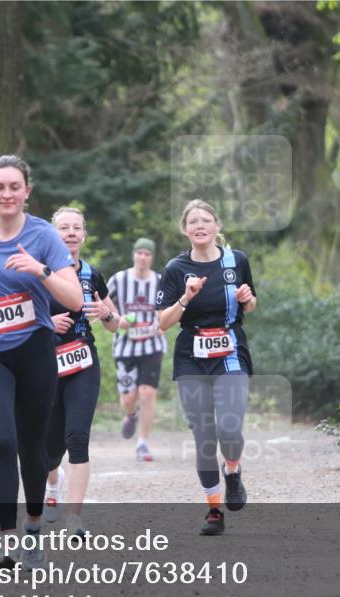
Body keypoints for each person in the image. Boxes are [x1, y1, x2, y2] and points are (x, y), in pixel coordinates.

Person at [0, 155, 82, 571]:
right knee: (3, 439)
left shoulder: (44, 236)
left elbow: (75, 300)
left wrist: (39, 270)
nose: (7, 194)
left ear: (27, 191)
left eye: (14, 187)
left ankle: (34, 528)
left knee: (32, 446)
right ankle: (7, 542)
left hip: (34, 348)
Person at [156, 199, 257, 536]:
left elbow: (252, 303)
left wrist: (247, 298)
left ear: (217, 226)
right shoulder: (175, 269)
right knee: (203, 436)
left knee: (229, 429)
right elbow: (162, 323)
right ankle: (214, 510)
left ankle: (233, 470)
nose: (199, 226)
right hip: (191, 356)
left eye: (206, 220)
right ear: (185, 229)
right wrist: (185, 298)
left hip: (230, 351)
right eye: (193, 222)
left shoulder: (236, 260)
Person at [42, 207, 120, 538]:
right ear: (52, 234)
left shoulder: (92, 274)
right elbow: (16, 318)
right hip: (44, 364)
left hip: (83, 362)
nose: (71, 233)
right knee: (47, 448)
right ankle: (52, 479)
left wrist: (106, 313)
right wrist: (45, 323)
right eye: (64, 228)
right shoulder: (39, 271)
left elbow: (114, 324)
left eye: (77, 228)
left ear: (84, 235)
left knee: (77, 437)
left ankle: (74, 518)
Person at [107, 237, 167, 462]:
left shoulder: (160, 281)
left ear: (152, 257)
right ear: (133, 255)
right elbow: (103, 302)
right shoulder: (119, 279)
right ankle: (131, 415)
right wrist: (116, 318)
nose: (143, 257)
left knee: (148, 393)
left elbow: (170, 308)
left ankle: (143, 443)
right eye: (139, 253)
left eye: (147, 254)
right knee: (128, 398)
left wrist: (164, 324)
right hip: (124, 347)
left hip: (152, 345)